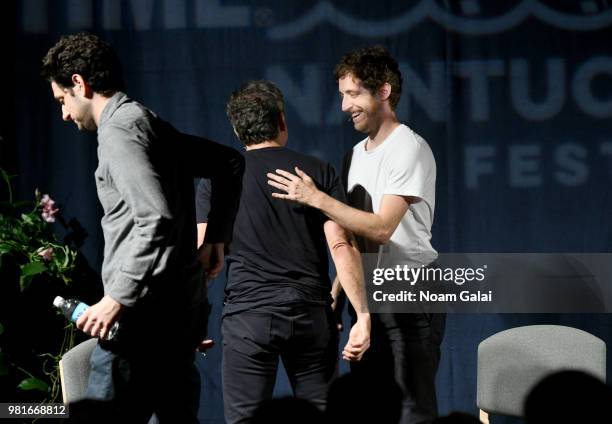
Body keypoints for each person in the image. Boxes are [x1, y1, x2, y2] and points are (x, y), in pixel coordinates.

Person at [41, 32, 242, 422]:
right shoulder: (148, 122)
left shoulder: (118, 131)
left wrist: (116, 298)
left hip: (139, 322)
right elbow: (228, 163)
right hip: (177, 316)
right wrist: (217, 235)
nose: (64, 114)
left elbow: (155, 217)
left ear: (79, 83)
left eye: (62, 100)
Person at [267, 46, 445, 424]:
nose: (345, 106)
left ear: (382, 92)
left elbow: (380, 228)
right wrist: (336, 294)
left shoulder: (408, 148)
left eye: (353, 94)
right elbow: (350, 236)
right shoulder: (354, 155)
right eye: (342, 96)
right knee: (369, 406)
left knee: (412, 409)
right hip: (368, 296)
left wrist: (316, 198)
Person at [206, 80, 370, 424]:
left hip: (248, 317)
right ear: (282, 121)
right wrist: (362, 315)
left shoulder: (219, 178)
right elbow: (341, 244)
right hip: (310, 315)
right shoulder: (317, 171)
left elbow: (204, 257)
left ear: (238, 130)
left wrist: (191, 319)